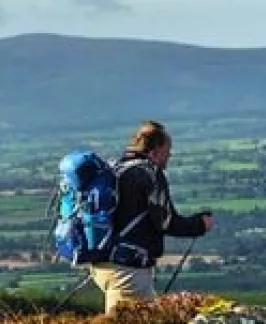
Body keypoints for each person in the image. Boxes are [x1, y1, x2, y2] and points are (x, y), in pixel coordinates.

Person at [90, 119, 214, 313]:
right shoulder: (149, 173)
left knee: (148, 320)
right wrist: (199, 224)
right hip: (128, 269)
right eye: (167, 150)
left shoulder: (115, 169)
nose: (170, 156)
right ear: (155, 150)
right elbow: (167, 222)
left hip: (102, 263)